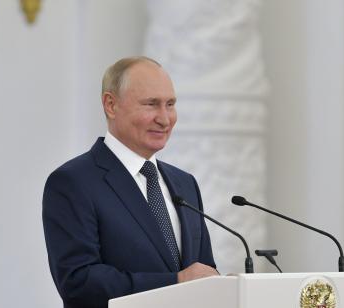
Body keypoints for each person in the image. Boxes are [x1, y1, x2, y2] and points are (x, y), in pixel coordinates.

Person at [42, 56, 218, 308]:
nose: (165, 118)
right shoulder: (73, 182)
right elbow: (78, 282)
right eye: (151, 104)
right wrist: (175, 281)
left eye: (170, 104)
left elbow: (202, 271)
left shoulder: (184, 184)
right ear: (111, 105)